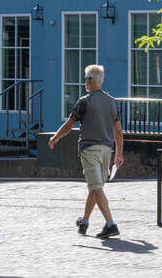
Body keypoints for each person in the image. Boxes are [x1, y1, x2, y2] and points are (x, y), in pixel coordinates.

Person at [49, 64, 124, 238]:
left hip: (89, 149)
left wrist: (56, 137)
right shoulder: (112, 102)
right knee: (95, 187)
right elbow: (118, 132)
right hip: (107, 150)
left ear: (90, 80)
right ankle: (84, 221)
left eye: (85, 79)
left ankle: (110, 224)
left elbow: (70, 124)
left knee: (96, 186)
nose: (84, 82)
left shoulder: (84, 101)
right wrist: (119, 154)